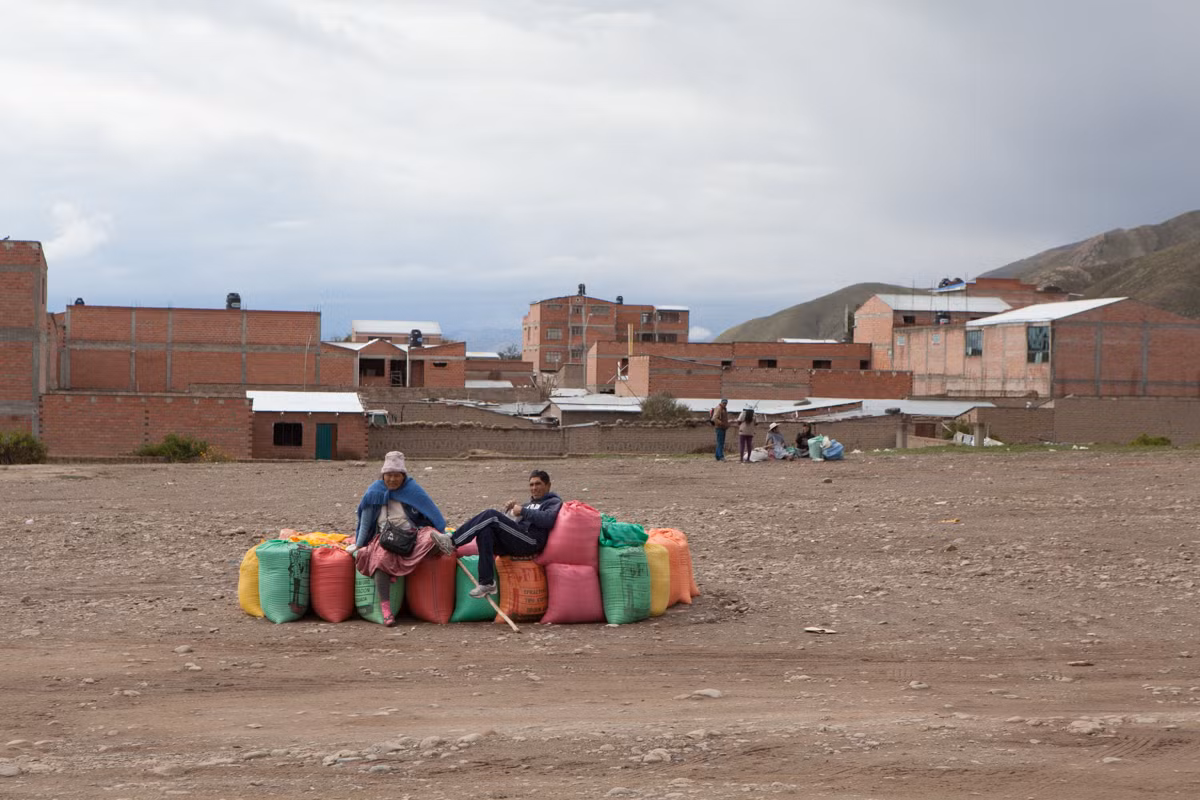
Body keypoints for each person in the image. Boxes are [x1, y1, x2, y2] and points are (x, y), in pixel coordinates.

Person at [431, 470, 563, 598]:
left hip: (531, 541)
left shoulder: (552, 502)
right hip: (516, 540)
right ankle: (487, 582)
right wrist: (510, 512)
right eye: (531, 484)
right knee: (485, 531)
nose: (534, 488)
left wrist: (522, 511)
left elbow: (548, 519)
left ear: (548, 485)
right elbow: (510, 524)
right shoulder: (528, 504)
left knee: (491, 515)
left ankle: (452, 541)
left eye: (538, 484)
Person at [350, 451, 447, 626]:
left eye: (397, 476)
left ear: (403, 476)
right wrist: (358, 545)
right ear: (383, 475)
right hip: (385, 538)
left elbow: (432, 514)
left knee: (433, 539)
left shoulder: (412, 491)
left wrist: (439, 531)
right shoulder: (374, 493)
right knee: (380, 560)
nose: (393, 480)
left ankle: (399, 567)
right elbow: (364, 524)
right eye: (389, 475)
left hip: (411, 536)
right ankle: (387, 611)